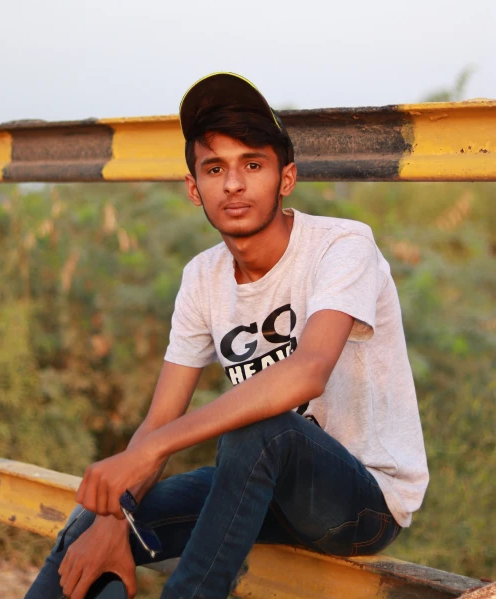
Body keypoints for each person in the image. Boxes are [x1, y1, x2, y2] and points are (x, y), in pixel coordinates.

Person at [25, 72, 429, 599]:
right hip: (260, 492)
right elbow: (159, 419)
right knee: (94, 525)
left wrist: (151, 453)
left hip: (363, 502)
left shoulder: (342, 246)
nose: (233, 184)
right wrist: (111, 520)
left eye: (252, 165)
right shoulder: (202, 277)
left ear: (286, 178)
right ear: (195, 189)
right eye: (215, 169)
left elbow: (308, 371)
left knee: (262, 428)